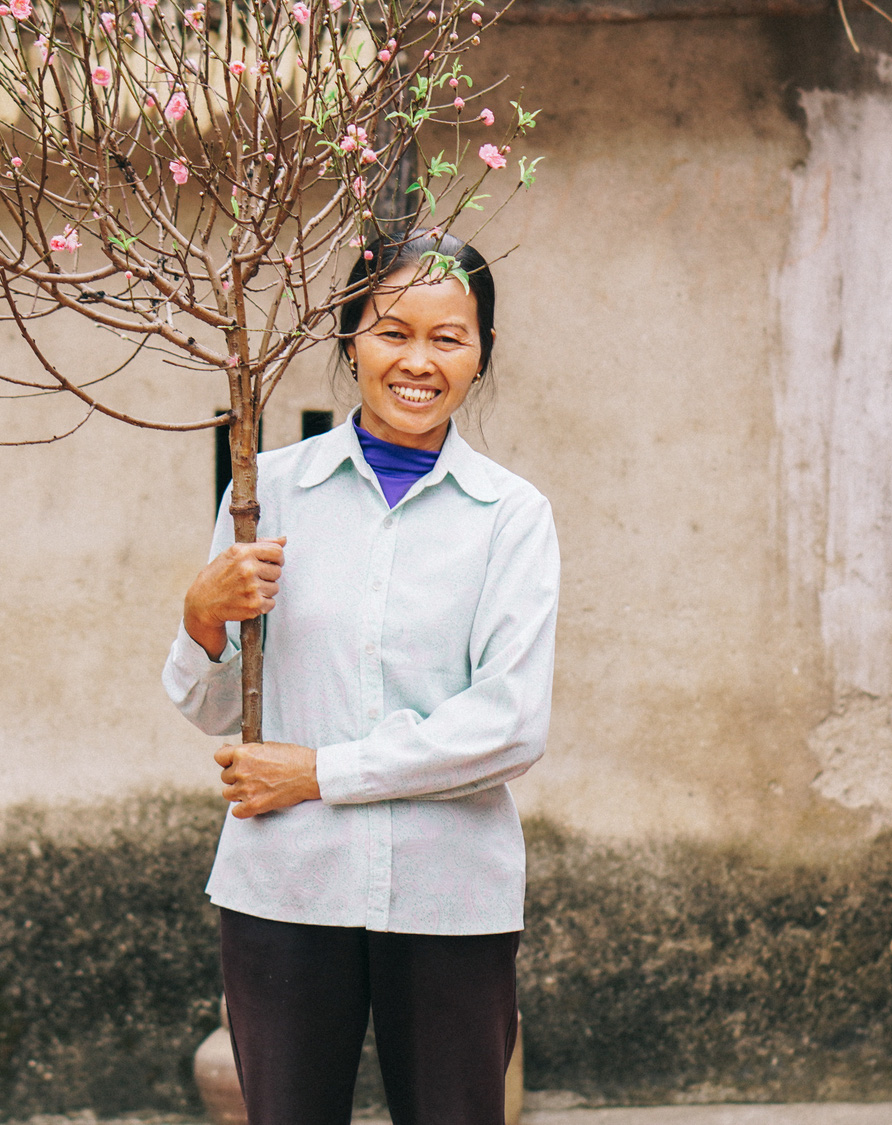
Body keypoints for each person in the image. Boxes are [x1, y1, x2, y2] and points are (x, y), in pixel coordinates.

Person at [162, 230, 561, 1125]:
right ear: (348, 340)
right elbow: (214, 706)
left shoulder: (511, 519)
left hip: (449, 895)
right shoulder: (267, 494)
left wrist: (317, 773)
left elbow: (508, 725)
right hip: (285, 889)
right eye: (392, 331)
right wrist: (202, 612)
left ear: (482, 353)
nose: (418, 361)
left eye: (449, 337)